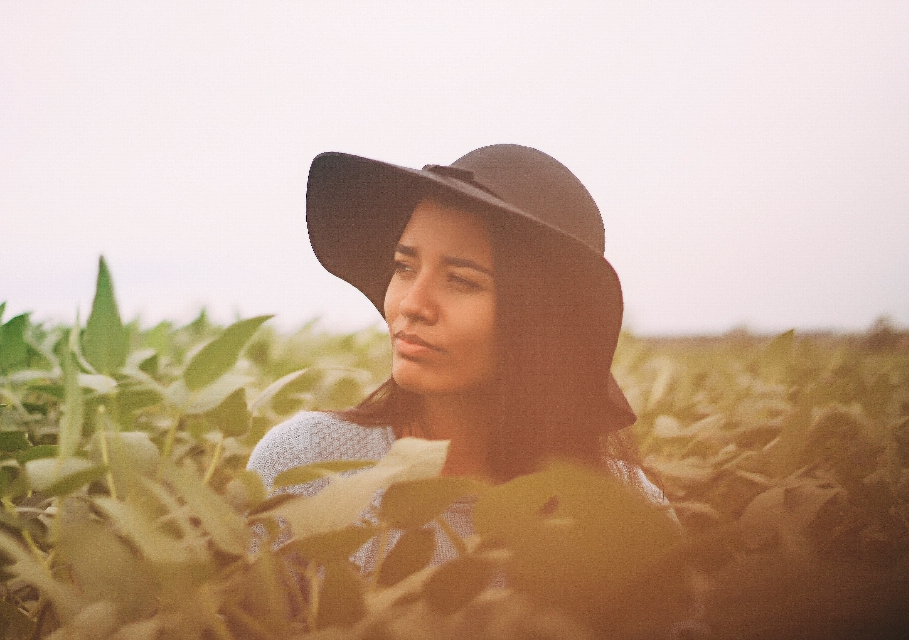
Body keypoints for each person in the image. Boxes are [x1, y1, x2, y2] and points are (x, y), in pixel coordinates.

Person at [247, 144, 672, 567]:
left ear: (542, 316)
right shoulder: (303, 462)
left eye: (462, 281)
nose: (413, 304)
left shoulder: (625, 513)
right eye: (404, 267)